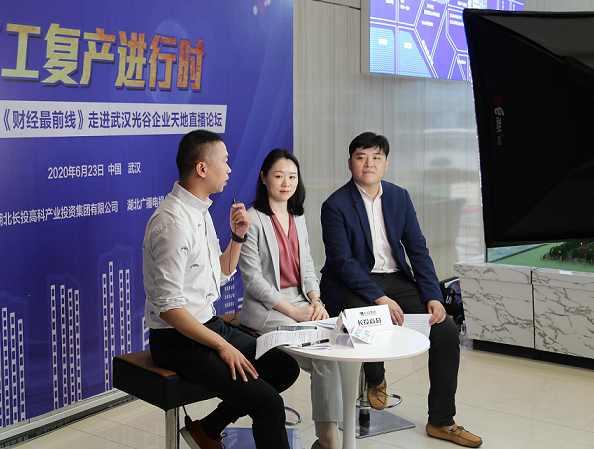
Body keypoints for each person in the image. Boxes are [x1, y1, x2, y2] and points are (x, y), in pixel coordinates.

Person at [319, 132, 483, 448]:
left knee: (446, 331)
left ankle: (441, 421)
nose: (369, 163)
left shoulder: (399, 197)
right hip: (354, 282)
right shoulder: (335, 205)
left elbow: (417, 249)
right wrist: (380, 298)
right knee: (366, 320)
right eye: (361, 157)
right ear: (350, 163)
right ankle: (375, 376)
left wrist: (433, 296)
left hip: (397, 279)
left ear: (386, 164)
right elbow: (343, 262)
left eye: (376, 157)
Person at [143, 130, 300, 449]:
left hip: (207, 325)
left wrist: (238, 237)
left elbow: (221, 272)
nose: (229, 169)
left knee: (283, 368)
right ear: (202, 168)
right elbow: (169, 308)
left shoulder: (199, 210)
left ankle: (208, 429)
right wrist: (222, 346)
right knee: (268, 403)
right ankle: (209, 430)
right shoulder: (174, 224)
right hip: (177, 339)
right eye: (224, 161)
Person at [238, 149, 342, 449]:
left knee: (334, 352)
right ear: (264, 178)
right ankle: (329, 441)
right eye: (279, 175)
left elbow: (307, 265)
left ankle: (327, 438)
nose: (286, 183)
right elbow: (253, 281)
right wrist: (294, 313)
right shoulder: (252, 219)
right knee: (322, 358)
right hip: (269, 310)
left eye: (292, 176)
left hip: (301, 303)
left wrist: (316, 300)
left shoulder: (297, 217)